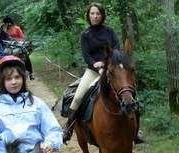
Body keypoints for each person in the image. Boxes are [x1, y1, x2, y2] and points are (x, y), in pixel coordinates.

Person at [62, 2, 144, 144]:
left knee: (132, 96)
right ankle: (68, 129)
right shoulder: (85, 35)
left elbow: (117, 49)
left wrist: (108, 65)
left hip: (112, 69)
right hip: (93, 71)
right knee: (77, 97)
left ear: (102, 15)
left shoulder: (109, 31)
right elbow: (86, 55)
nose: (95, 16)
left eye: (98, 13)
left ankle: (135, 132)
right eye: (92, 13)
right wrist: (97, 66)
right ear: (88, 15)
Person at [2, 16, 35, 80]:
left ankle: (31, 72)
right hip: (9, 47)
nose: (5, 25)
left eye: (6, 23)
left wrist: (16, 40)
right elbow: (3, 39)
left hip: (18, 45)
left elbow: (22, 38)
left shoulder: (17, 28)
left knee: (26, 55)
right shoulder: (4, 29)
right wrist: (5, 30)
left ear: (9, 23)